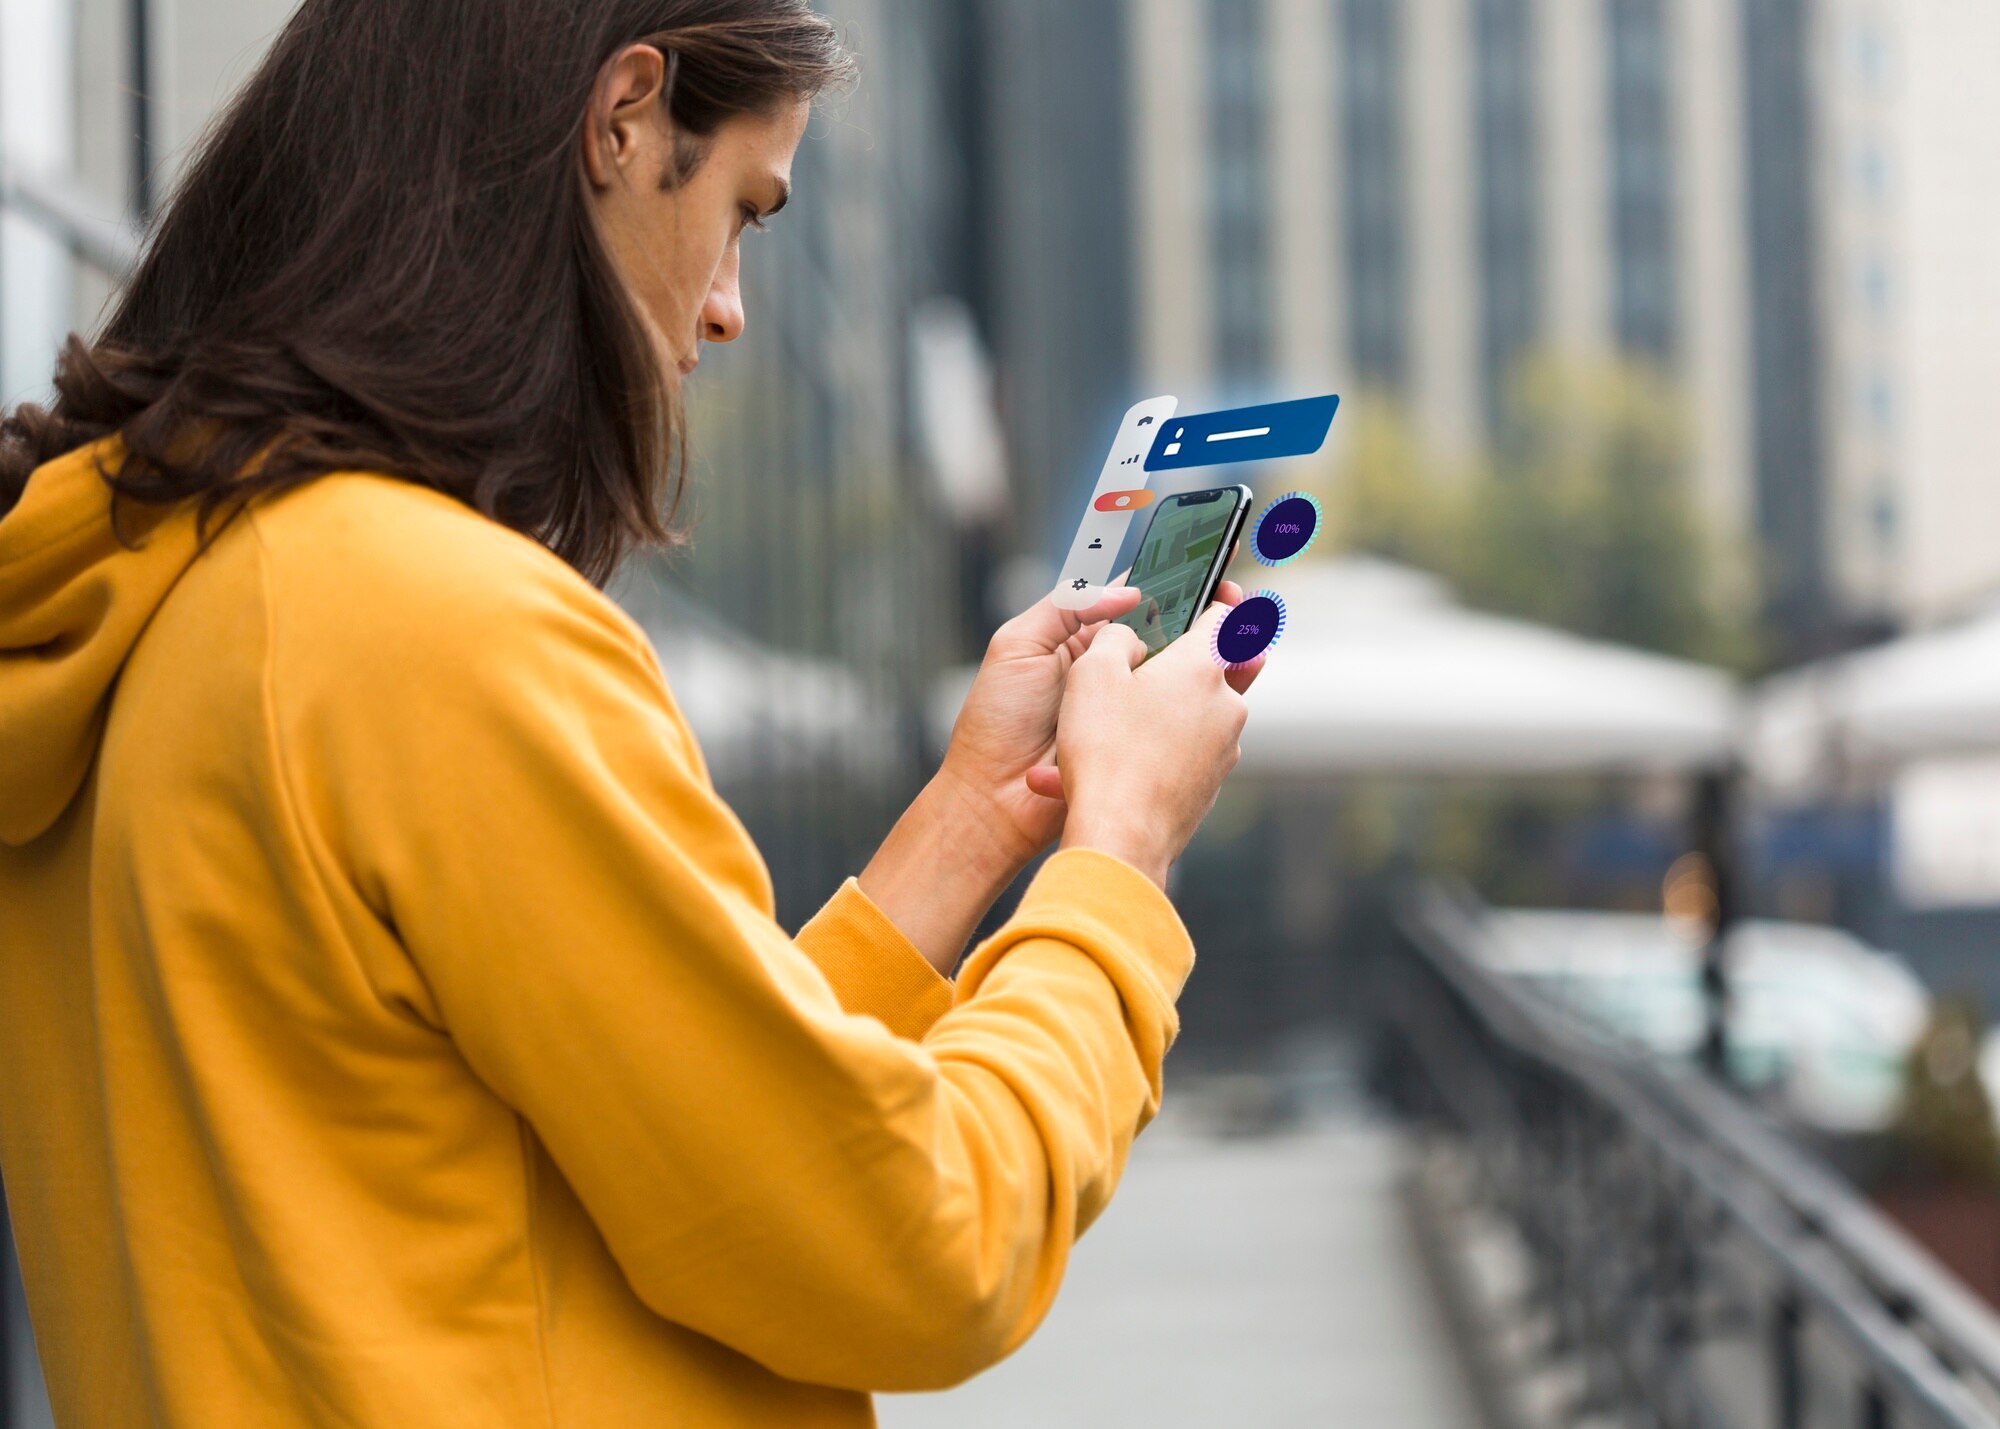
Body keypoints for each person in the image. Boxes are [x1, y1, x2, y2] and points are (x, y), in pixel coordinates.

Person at [0, 2, 1259, 1424]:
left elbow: (690, 1159)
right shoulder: (433, 631)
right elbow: (915, 1236)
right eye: (743, 211)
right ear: (622, 118)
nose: (728, 304)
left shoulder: (151, 612)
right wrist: (1116, 871)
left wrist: (974, 814)